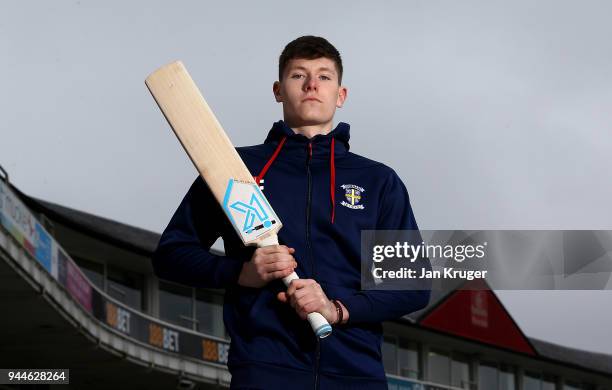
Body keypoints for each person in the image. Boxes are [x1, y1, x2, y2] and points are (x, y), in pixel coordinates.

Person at [152, 35, 431, 389]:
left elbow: (411, 288)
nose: (312, 84)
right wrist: (242, 272)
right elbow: (171, 256)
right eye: (298, 75)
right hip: (265, 370)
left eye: (325, 76)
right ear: (278, 90)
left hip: (356, 374)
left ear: (340, 95)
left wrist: (337, 309)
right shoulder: (234, 169)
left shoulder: (378, 181)